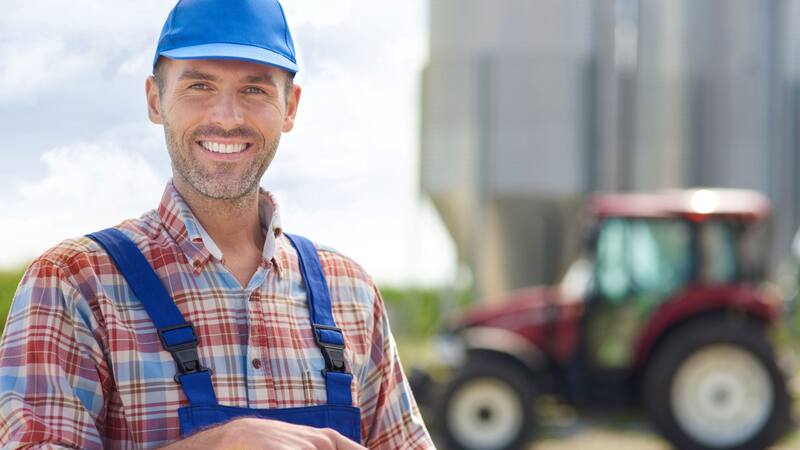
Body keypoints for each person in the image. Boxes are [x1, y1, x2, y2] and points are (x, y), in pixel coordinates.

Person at [0, 1, 434, 449]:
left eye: (255, 90)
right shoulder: (76, 282)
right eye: (200, 86)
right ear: (155, 99)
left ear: (290, 106)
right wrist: (220, 443)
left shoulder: (351, 291)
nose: (227, 118)